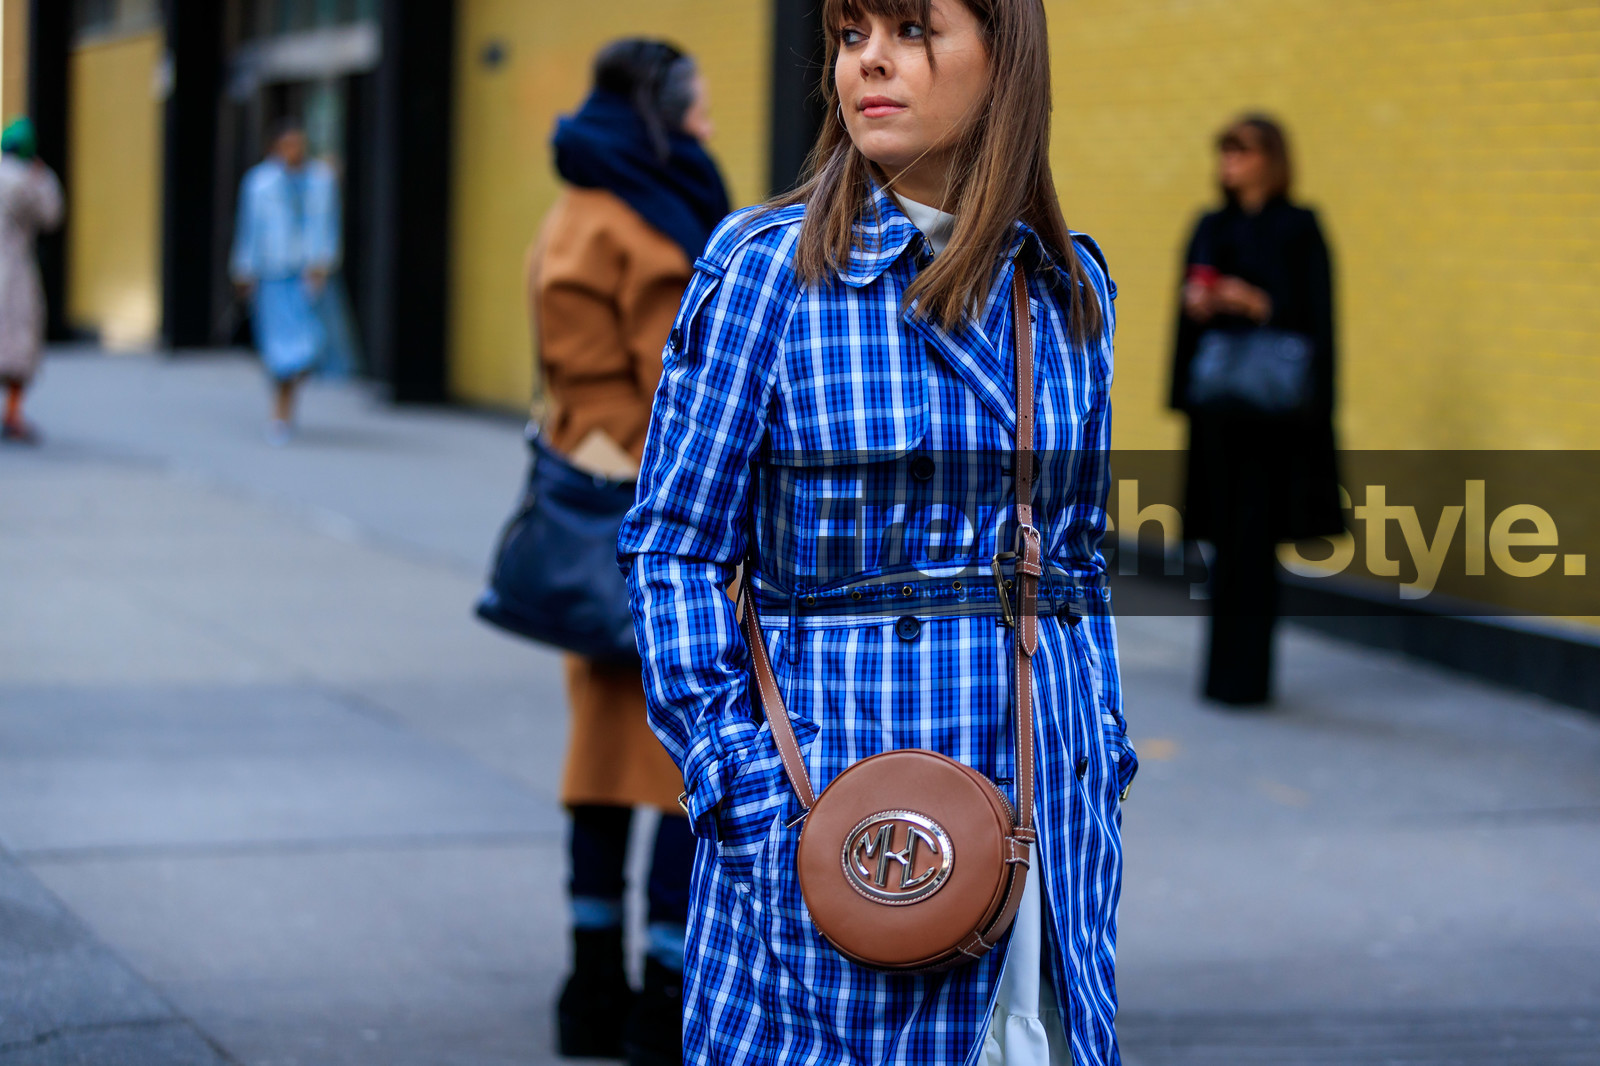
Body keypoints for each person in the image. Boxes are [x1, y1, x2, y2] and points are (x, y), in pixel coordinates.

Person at [619, 2, 1135, 1063]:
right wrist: (750, 801)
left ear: (1006, 58)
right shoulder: (770, 270)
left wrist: (1102, 759)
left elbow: (1073, 564)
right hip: (850, 842)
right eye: (851, 35)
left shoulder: (1069, 292)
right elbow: (672, 545)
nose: (871, 64)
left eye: (911, 28)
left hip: (1047, 850)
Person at [530, 39, 729, 1066]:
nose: (706, 124)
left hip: (593, 515)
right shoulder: (641, 222)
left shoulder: (578, 207)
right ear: (660, 112)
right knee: (681, 767)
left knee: (602, 769)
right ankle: (662, 995)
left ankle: (589, 979)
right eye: (694, 107)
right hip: (657, 524)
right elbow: (681, 383)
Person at [1169, 115, 1342, 706]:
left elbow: (1315, 319)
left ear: (1271, 158)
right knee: (1223, 545)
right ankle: (1222, 679)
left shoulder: (1299, 228)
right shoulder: (1211, 225)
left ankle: (1250, 681)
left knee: (1256, 543)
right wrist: (1202, 302)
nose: (1229, 162)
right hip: (1220, 411)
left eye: (1241, 151)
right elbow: (1186, 310)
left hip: (1274, 417)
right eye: (1225, 151)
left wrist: (1256, 302)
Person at [230, 119, 341, 445]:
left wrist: (323, 262)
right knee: (280, 351)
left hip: (306, 274)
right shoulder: (259, 183)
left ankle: (287, 399)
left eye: (300, 144)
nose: (295, 151)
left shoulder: (321, 180)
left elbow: (328, 225)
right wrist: (243, 269)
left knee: (310, 345)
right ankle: (281, 411)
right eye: (288, 144)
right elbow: (249, 229)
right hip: (273, 275)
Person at [0, 117, 63, 444]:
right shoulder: (26, 179)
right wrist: (43, 176)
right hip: (13, 270)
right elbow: (51, 214)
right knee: (17, 338)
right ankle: (13, 413)